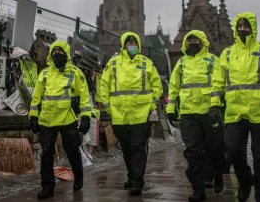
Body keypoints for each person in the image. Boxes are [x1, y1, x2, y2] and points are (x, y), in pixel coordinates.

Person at [211, 12, 260, 202]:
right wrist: (214, 106)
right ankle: (246, 181)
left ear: (253, 28)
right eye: (239, 26)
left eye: (246, 26)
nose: (242, 29)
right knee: (234, 152)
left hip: (259, 113)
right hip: (235, 113)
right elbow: (217, 82)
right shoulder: (227, 53)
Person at [96, 32, 163, 196]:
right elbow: (103, 85)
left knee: (138, 148)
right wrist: (108, 106)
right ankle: (132, 175)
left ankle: (137, 181)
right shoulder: (113, 63)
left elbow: (157, 87)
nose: (131, 45)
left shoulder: (147, 63)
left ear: (138, 45)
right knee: (126, 148)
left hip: (141, 115)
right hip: (120, 115)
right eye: (129, 43)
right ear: (123, 45)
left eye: (134, 42)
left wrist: (151, 105)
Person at [166, 30, 225, 202]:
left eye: (196, 40)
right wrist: (171, 108)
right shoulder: (182, 63)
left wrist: (214, 106)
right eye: (190, 40)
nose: (192, 43)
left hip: (209, 113)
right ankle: (198, 189)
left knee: (215, 148)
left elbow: (218, 84)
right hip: (188, 114)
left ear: (203, 42)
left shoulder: (213, 60)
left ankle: (218, 174)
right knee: (193, 152)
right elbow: (174, 87)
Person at [29, 40, 93, 199]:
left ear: (66, 54)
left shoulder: (76, 73)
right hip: (47, 119)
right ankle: (47, 186)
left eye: (60, 52)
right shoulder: (44, 73)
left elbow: (84, 98)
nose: (57, 54)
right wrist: (33, 116)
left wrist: (85, 117)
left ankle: (78, 177)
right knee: (47, 153)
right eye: (55, 52)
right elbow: (36, 97)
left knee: (72, 150)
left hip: (67, 118)